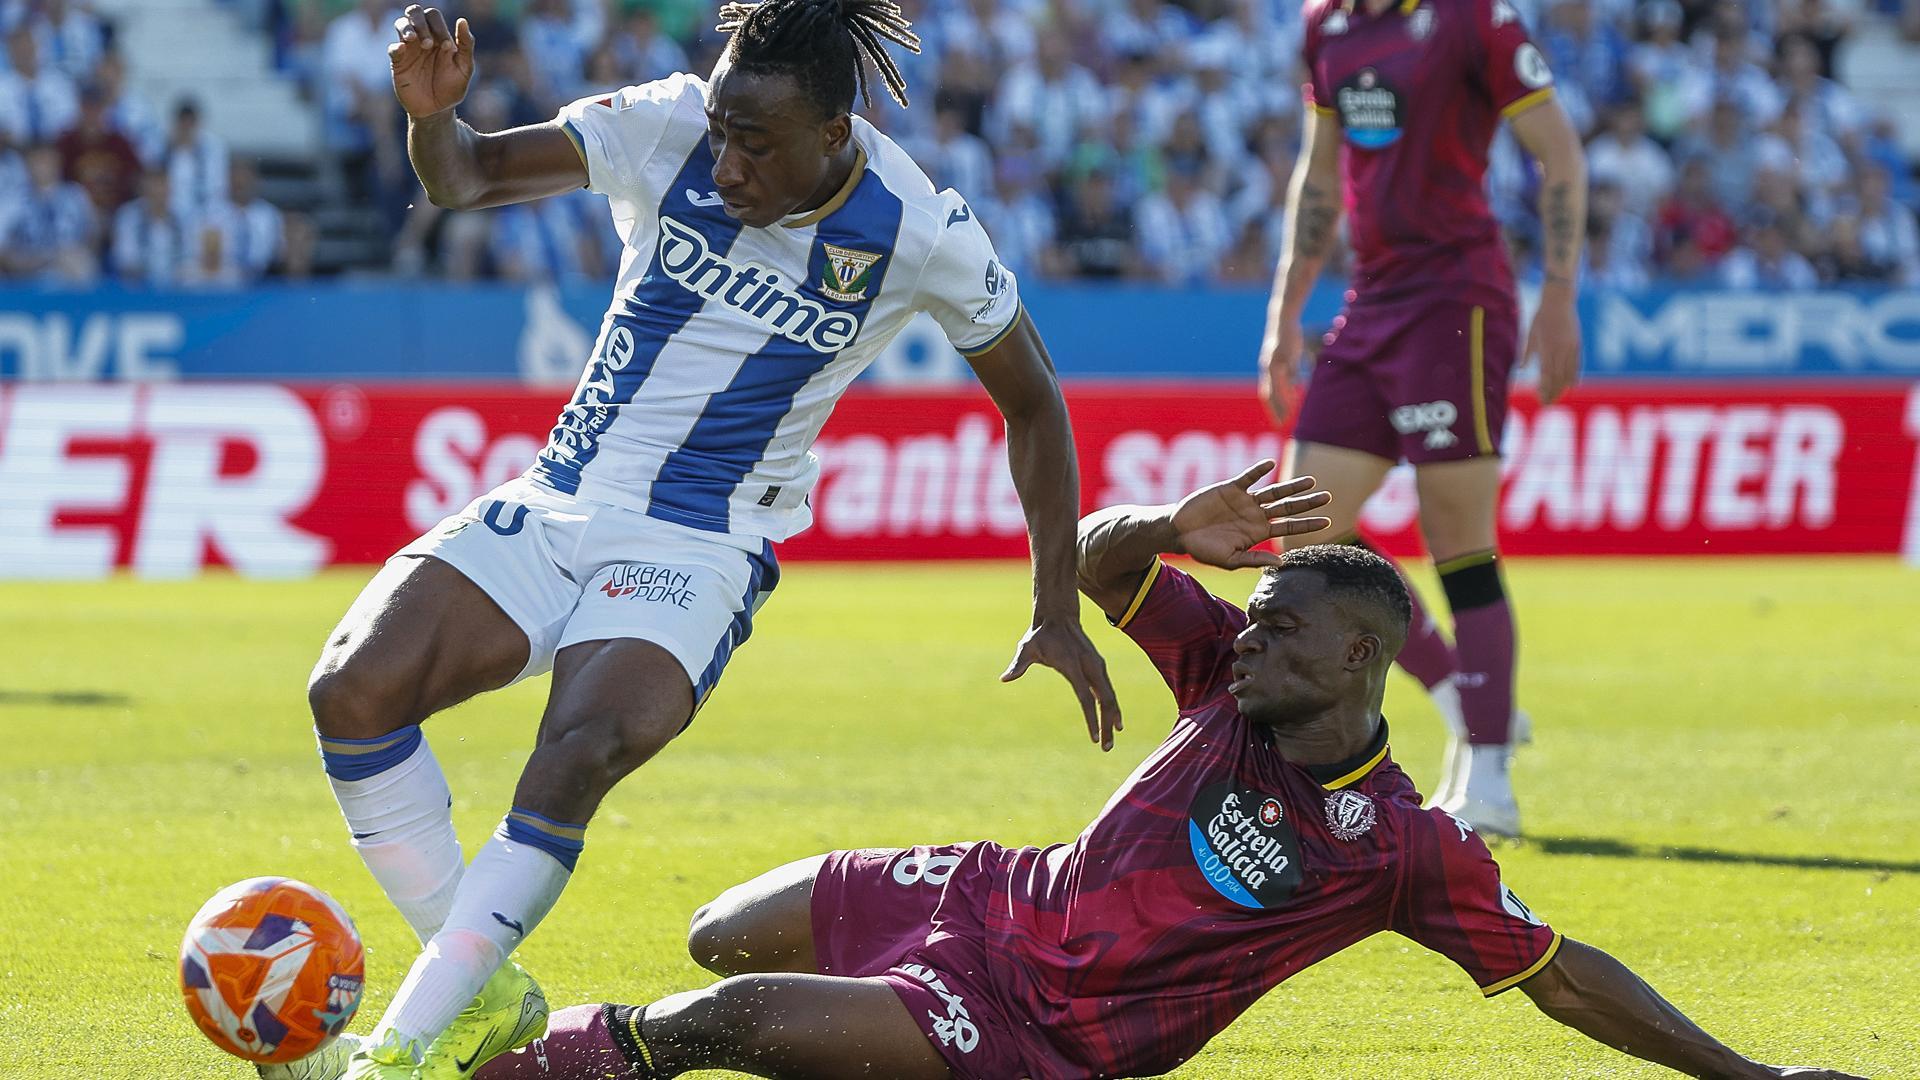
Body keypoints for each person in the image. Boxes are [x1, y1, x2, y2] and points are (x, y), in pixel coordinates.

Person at [287, 4, 1119, 1079]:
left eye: (756, 143)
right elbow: (469, 179)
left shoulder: (919, 228)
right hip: (561, 496)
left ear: (834, 133)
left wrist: (1054, 602)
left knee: (575, 750)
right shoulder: (669, 124)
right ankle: (476, 992)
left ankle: (399, 1052)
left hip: (701, 544)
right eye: (723, 130)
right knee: (351, 692)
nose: (725, 163)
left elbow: (1035, 399)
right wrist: (431, 123)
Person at [447, 464, 1861, 1080]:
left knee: (715, 1015)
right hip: (995, 896)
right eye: (1246, 620)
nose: (1243, 644)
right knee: (718, 928)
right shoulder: (1229, 677)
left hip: (1041, 1028)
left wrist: (1743, 1074)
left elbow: (1560, 970)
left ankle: (497, 1063)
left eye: (1280, 630)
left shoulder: (1402, 847)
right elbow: (1105, 564)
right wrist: (1177, 527)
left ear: (1361, 665)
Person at [1255, 0, 1590, 837]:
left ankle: (1490, 780)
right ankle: (1458, 688)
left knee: (1457, 538)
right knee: (1305, 525)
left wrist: (1558, 297)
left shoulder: (1471, 17)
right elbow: (1319, 176)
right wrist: (1286, 307)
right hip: (1370, 302)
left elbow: (1560, 156)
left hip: (1459, 297)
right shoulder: (1325, 25)